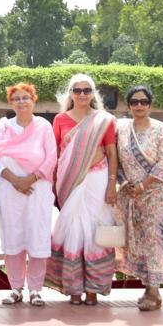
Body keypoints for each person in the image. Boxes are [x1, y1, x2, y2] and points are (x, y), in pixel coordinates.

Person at [45, 73, 119, 305]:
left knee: (94, 230)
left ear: (93, 93)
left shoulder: (104, 120)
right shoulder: (60, 120)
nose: (82, 94)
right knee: (72, 229)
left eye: (87, 90)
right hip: (69, 183)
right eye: (77, 90)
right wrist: (54, 187)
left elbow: (112, 153)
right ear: (70, 93)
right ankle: (74, 288)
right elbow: (56, 155)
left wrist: (112, 183)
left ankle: (93, 289)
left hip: (98, 180)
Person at [0, 82, 57, 307]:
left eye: (25, 97)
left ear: (33, 100)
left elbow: (52, 157)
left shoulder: (43, 126)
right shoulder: (4, 126)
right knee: (13, 236)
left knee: (37, 236)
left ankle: (35, 290)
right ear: (11, 102)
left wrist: (31, 179)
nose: (21, 102)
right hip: (10, 189)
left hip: (38, 189)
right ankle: (15, 288)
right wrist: (15, 180)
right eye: (16, 98)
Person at [116, 85, 163, 311]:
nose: (139, 105)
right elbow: (116, 159)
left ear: (150, 105)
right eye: (134, 102)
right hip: (133, 194)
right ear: (128, 106)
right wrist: (126, 183)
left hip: (159, 194)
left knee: (155, 238)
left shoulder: (161, 129)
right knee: (140, 240)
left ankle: (154, 291)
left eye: (144, 101)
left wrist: (144, 185)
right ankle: (148, 287)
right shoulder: (122, 129)